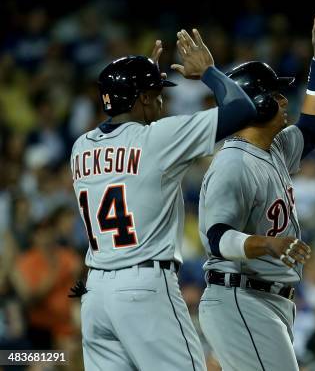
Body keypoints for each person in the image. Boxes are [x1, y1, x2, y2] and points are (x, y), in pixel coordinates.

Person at [70, 30, 257, 371]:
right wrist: (210, 73)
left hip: (96, 294)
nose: (162, 102)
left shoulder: (81, 146)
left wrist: (143, 83)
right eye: (157, 94)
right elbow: (243, 108)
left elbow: (126, 145)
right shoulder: (159, 137)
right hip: (144, 289)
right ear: (141, 99)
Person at [198, 8, 315, 371]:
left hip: (266, 301)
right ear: (256, 103)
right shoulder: (232, 164)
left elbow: (314, 127)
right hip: (240, 296)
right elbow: (217, 238)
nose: (284, 100)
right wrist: (268, 244)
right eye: (276, 94)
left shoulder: (273, 148)